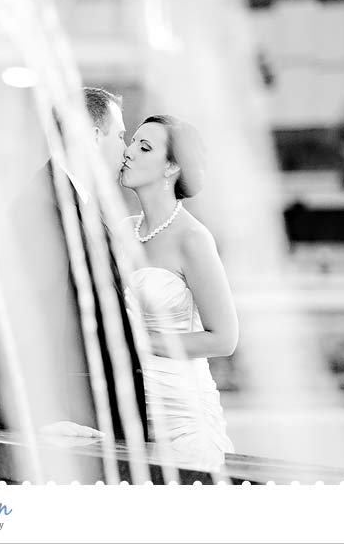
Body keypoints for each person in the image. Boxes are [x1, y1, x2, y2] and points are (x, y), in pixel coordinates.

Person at [0, 87, 149, 443]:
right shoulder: (41, 205)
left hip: (97, 411)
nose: (125, 149)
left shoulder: (76, 200)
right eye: (120, 135)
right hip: (74, 420)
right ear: (93, 136)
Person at [117, 114, 236, 467]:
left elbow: (223, 339)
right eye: (131, 141)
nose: (128, 152)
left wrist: (136, 342)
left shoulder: (193, 238)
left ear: (171, 167)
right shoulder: (123, 231)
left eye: (145, 146)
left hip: (184, 420)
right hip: (131, 418)